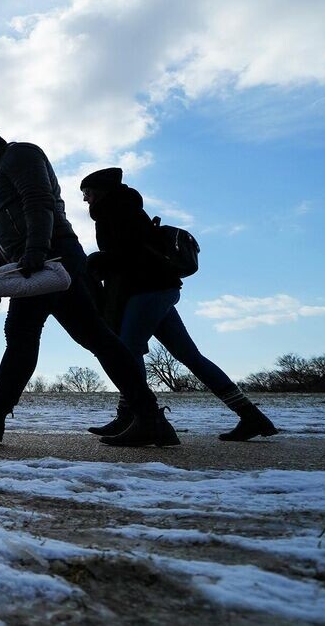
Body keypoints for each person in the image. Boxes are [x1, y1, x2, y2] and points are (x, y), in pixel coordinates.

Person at [0, 117, 178, 447]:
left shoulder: (20, 155)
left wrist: (36, 251)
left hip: (49, 261)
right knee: (97, 338)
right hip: (50, 258)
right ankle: (150, 418)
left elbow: (37, 201)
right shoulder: (11, 164)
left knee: (24, 333)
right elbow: (17, 234)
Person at [80, 167, 277, 442]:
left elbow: (130, 253)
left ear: (101, 190)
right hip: (155, 289)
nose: (86, 200)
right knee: (189, 356)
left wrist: (99, 260)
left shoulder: (117, 210)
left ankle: (139, 419)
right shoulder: (123, 208)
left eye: (87, 193)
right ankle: (250, 415)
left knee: (127, 350)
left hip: (147, 289)